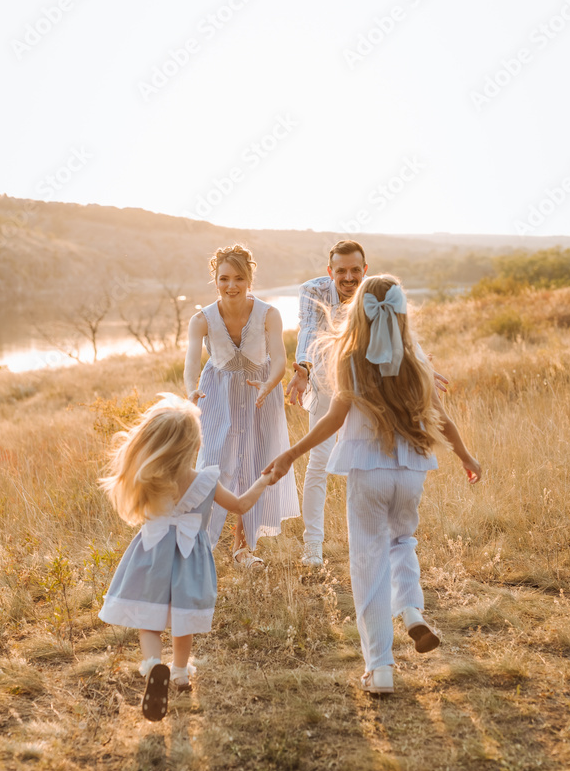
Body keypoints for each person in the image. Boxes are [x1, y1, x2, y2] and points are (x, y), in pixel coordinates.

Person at [265, 275, 481, 694]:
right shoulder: (416, 356)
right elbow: (441, 419)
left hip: (368, 472)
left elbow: (332, 421)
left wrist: (291, 453)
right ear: (402, 312)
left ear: (358, 312)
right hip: (411, 472)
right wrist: (465, 456)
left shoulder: (351, 357)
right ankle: (413, 612)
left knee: (368, 564)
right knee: (403, 542)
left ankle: (379, 667)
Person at [98, 394, 273, 721]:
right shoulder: (206, 480)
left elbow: (172, 436)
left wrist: (180, 415)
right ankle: (178, 672)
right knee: (182, 618)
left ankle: (153, 668)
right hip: (190, 558)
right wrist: (263, 481)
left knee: (148, 622)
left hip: (151, 555)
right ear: (194, 446)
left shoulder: (147, 478)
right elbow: (240, 506)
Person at [183, 244, 300, 568]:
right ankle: (197, 548)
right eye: (224, 279)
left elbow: (279, 358)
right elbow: (192, 363)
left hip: (260, 393)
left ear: (249, 278)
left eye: (238, 278)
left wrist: (268, 383)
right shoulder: (201, 319)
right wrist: (191, 391)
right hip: (216, 395)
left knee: (257, 464)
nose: (231, 286)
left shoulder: (269, 314)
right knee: (213, 467)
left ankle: (242, 549)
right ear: (215, 279)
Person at [286, 240, 369, 566]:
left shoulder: (374, 292)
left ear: (365, 269)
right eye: (341, 271)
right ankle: (313, 549)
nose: (348, 278)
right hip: (323, 378)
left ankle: (365, 546)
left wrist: (420, 368)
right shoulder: (313, 290)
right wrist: (303, 368)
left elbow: (395, 334)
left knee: (364, 464)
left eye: (355, 270)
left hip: (364, 381)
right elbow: (307, 328)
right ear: (329, 271)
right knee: (319, 462)